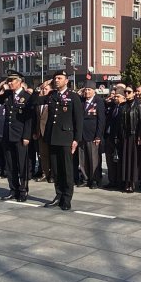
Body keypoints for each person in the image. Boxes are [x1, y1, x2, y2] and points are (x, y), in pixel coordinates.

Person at [44, 71, 83, 210]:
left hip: (66, 138)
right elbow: (35, 101)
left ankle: (67, 198)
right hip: (53, 137)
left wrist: (76, 139)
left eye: (59, 78)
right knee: (55, 170)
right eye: (55, 78)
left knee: (67, 170)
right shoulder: (51, 95)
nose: (56, 80)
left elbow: (78, 119)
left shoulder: (73, 97)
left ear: (66, 81)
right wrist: (45, 85)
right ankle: (58, 195)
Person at [0, 72, 34, 202]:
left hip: (20, 136)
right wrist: (1, 87)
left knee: (22, 164)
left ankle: (23, 190)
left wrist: (26, 136)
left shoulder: (26, 97)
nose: (10, 83)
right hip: (8, 134)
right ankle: (13, 189)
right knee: (10, 164)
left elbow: (29, 119)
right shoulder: (8, 95)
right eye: (8, 80)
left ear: (19, 81)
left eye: (12, 80)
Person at [78, 84, 106, 189]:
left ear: (94, 91)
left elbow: (101, 120)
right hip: (81, 134)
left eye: (89, 90)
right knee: (83, 158)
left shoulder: (98, 101)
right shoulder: (81, 101)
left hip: (93, 134)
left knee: (94, 159)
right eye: (85, 90)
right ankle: (85, 178)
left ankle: (95, 179)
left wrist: (98, 135)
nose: (87, 92)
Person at [119, 86, 141, 193]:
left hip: (134, 135)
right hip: (125, 135)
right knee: (125, 158)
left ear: (133, 93)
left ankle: (132, 182)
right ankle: (126, 181)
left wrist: (140, 136)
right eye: (125, 92)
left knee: (133, 159)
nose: (127, 94)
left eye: (129, 92)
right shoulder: (122, 105)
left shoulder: (138, 105)